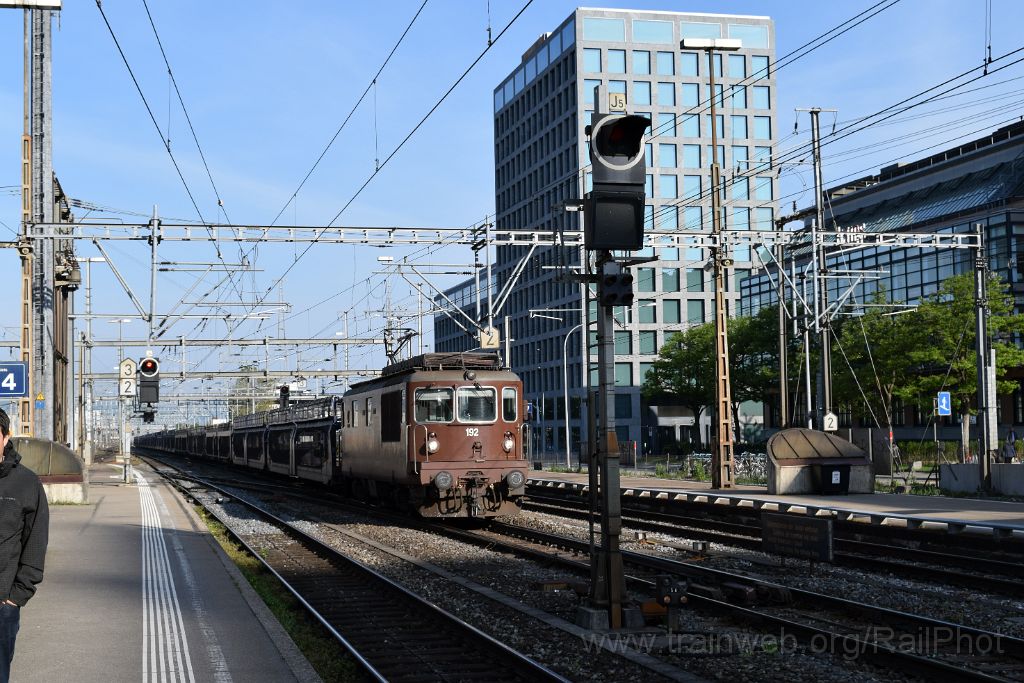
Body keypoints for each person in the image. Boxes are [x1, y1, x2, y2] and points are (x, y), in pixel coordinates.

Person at [0, 408, 48, 683]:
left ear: (6, 437)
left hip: (2, 604)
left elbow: (36, 541)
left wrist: (15, 597)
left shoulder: (26, 483)